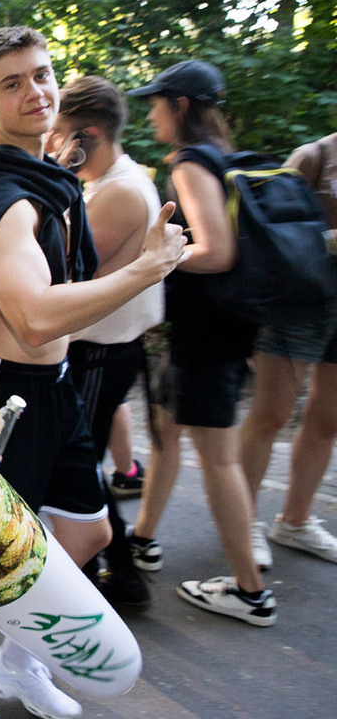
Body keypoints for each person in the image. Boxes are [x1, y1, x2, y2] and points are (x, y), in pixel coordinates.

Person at [0, 26, 186, 719]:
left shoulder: (52, 179)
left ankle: (16, 663)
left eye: (41, 75)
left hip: (56, 383)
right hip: (2, 389)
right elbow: (36, 317)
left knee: (89, 532)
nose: (34, 92)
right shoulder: (2, 197)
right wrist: (147, 269)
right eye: (11, 83)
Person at [128, 59, 276, 626]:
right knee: (166, 428)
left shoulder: (190, 163)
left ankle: (250, 591)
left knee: (219, 460)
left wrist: (156, 258)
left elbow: (216, 251)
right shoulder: (223, 156)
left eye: (156, 104)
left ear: (181, 105)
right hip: (214, 329)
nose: (152, 116)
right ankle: (143, 538)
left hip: (206, 334)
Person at [48, 75, 165, 611]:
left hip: (99, 352)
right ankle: (102, 571)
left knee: (79, 468)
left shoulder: (119, 191)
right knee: (79, 464)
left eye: (60, 133)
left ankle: (115, 578)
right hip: (103, 348)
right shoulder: (116, 182)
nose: (53, 142)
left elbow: (63, 267)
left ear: (88, 136)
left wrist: (53, 176)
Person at [238, 129, 337, 567]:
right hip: (301, 301)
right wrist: (330, 240)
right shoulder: (315, 155)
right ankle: (243, 522)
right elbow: (269, 235)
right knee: (271, 415)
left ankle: (295, 521)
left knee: (328, 419)